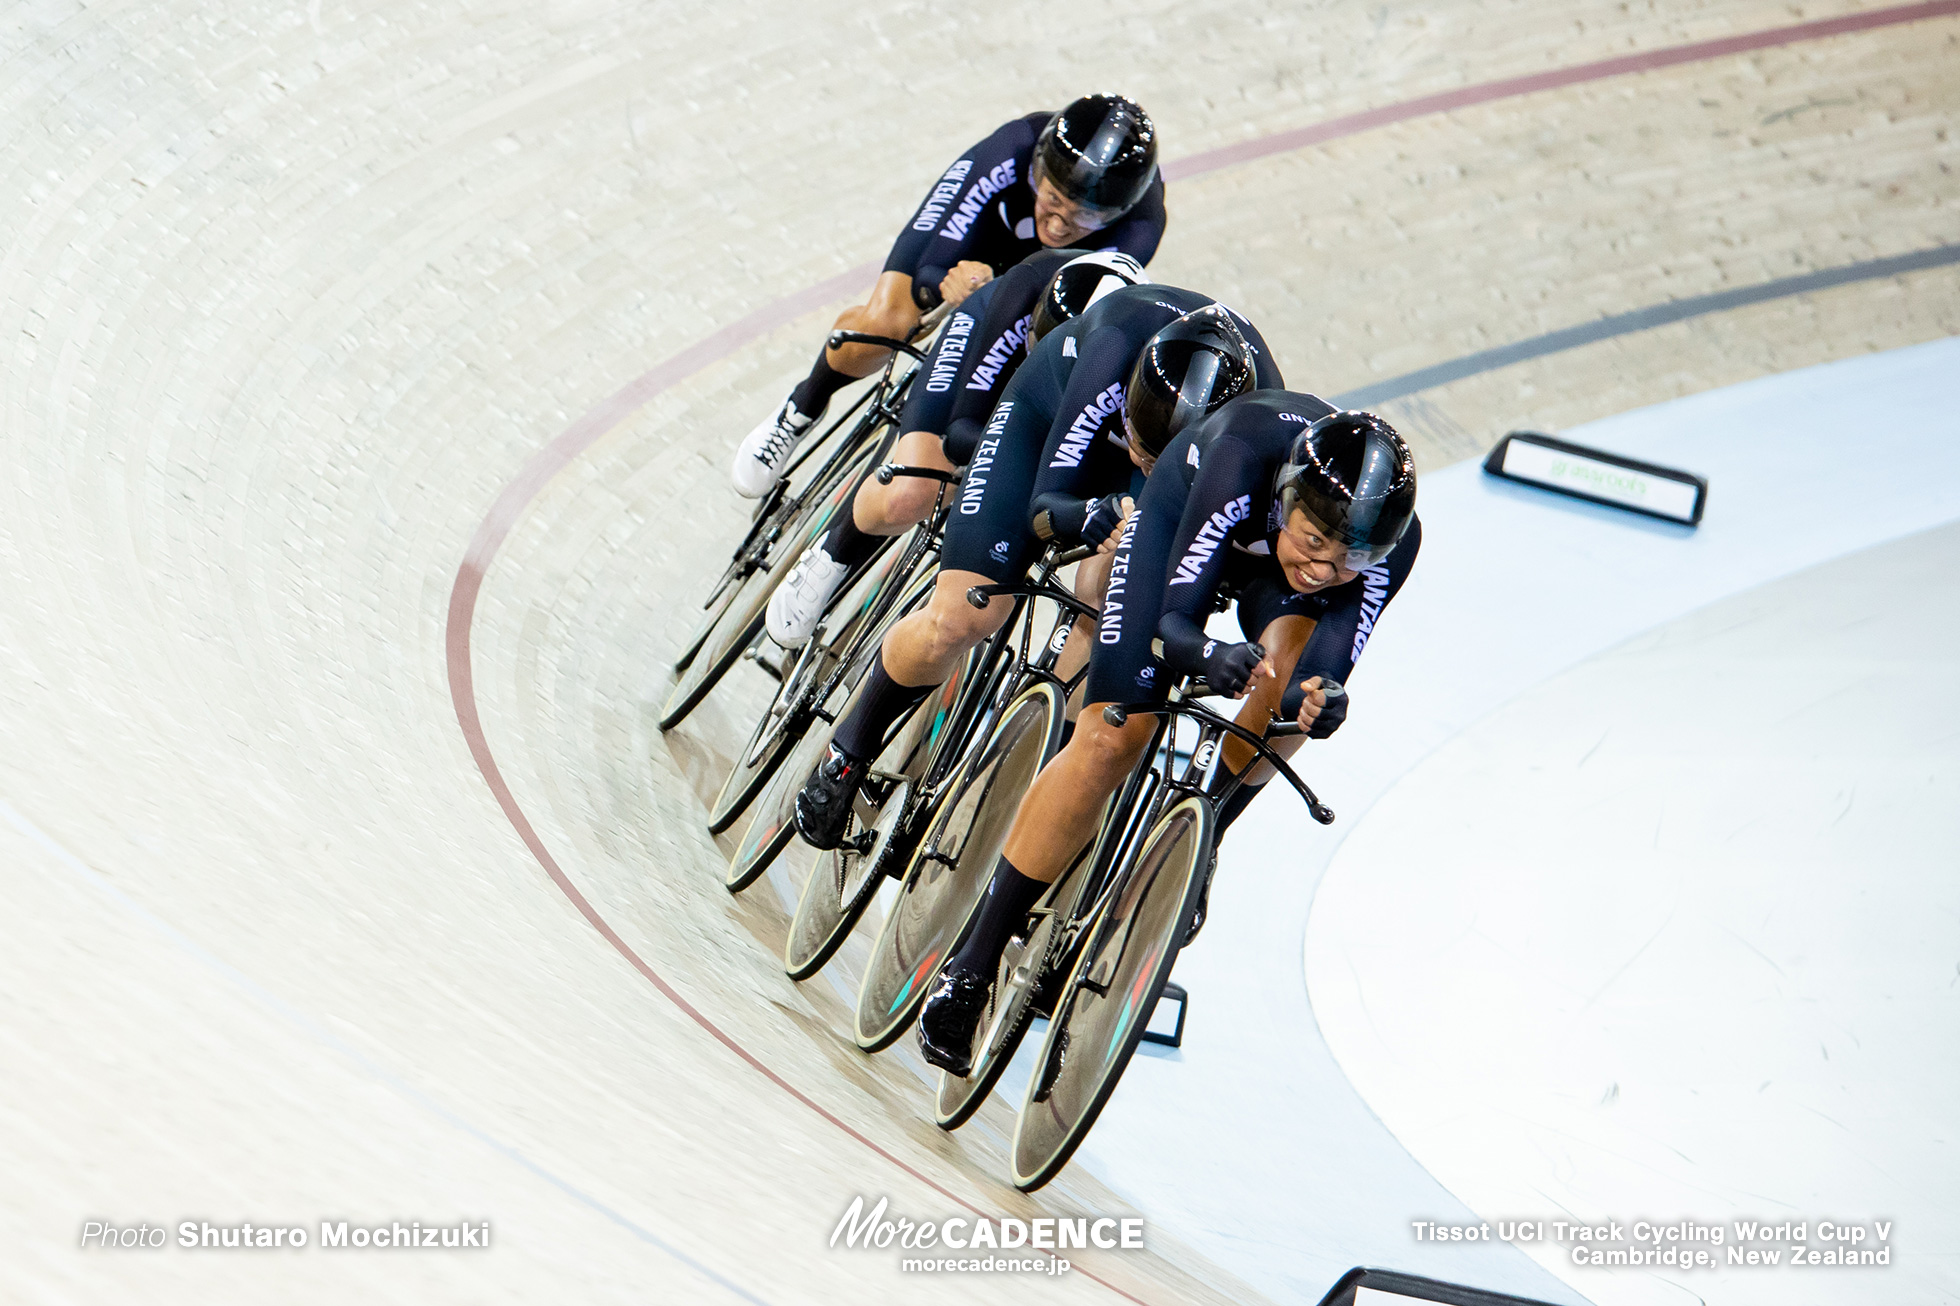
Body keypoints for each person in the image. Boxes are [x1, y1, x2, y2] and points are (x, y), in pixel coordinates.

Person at [917, 400, 1422, 1074]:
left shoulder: (1395, 543)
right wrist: (1208, 655)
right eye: (1315, 544)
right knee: (1111, 738)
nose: (1326, 570)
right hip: (1181, 530)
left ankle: (1205, 823)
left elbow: (1329, 666)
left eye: (1350, 558)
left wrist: (1321, 702)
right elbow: (1172, 624)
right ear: (1288, 500)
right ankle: (971, 968)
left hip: (1266, 586)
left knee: (1287, 685)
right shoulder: (1242, 458)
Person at [792, 286, 1282, 852]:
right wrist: (1086, 513)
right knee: (963, 615)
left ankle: (1043, 771)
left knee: (1106, 601)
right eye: (1142, 442)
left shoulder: (1246, 435)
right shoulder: (1111, 352)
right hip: (1047, 422)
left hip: (1174, 485)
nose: (1141, 457)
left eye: (1155, 453)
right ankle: (848, 750)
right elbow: (1045, 506)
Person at [729, 94, 1166, 499]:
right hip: (978, 242)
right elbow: (932, 264)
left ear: (1118, 213)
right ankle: (801, 407)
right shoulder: (1012, 149)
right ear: (1038, 169)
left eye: (1085, 215)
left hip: (1046, 286)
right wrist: (944, 281)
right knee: (888, 320)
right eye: (1052, 199)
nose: (1057, 226)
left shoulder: (1139, 229)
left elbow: (1062, 324)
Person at [764, 248, 1147, 648]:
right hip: (986, 378)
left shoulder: (1123, 373)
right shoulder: (1020, 295)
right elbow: (962, 431)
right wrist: (1007, 464)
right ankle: (833, 552)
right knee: (912, 491)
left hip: (1062, 415)